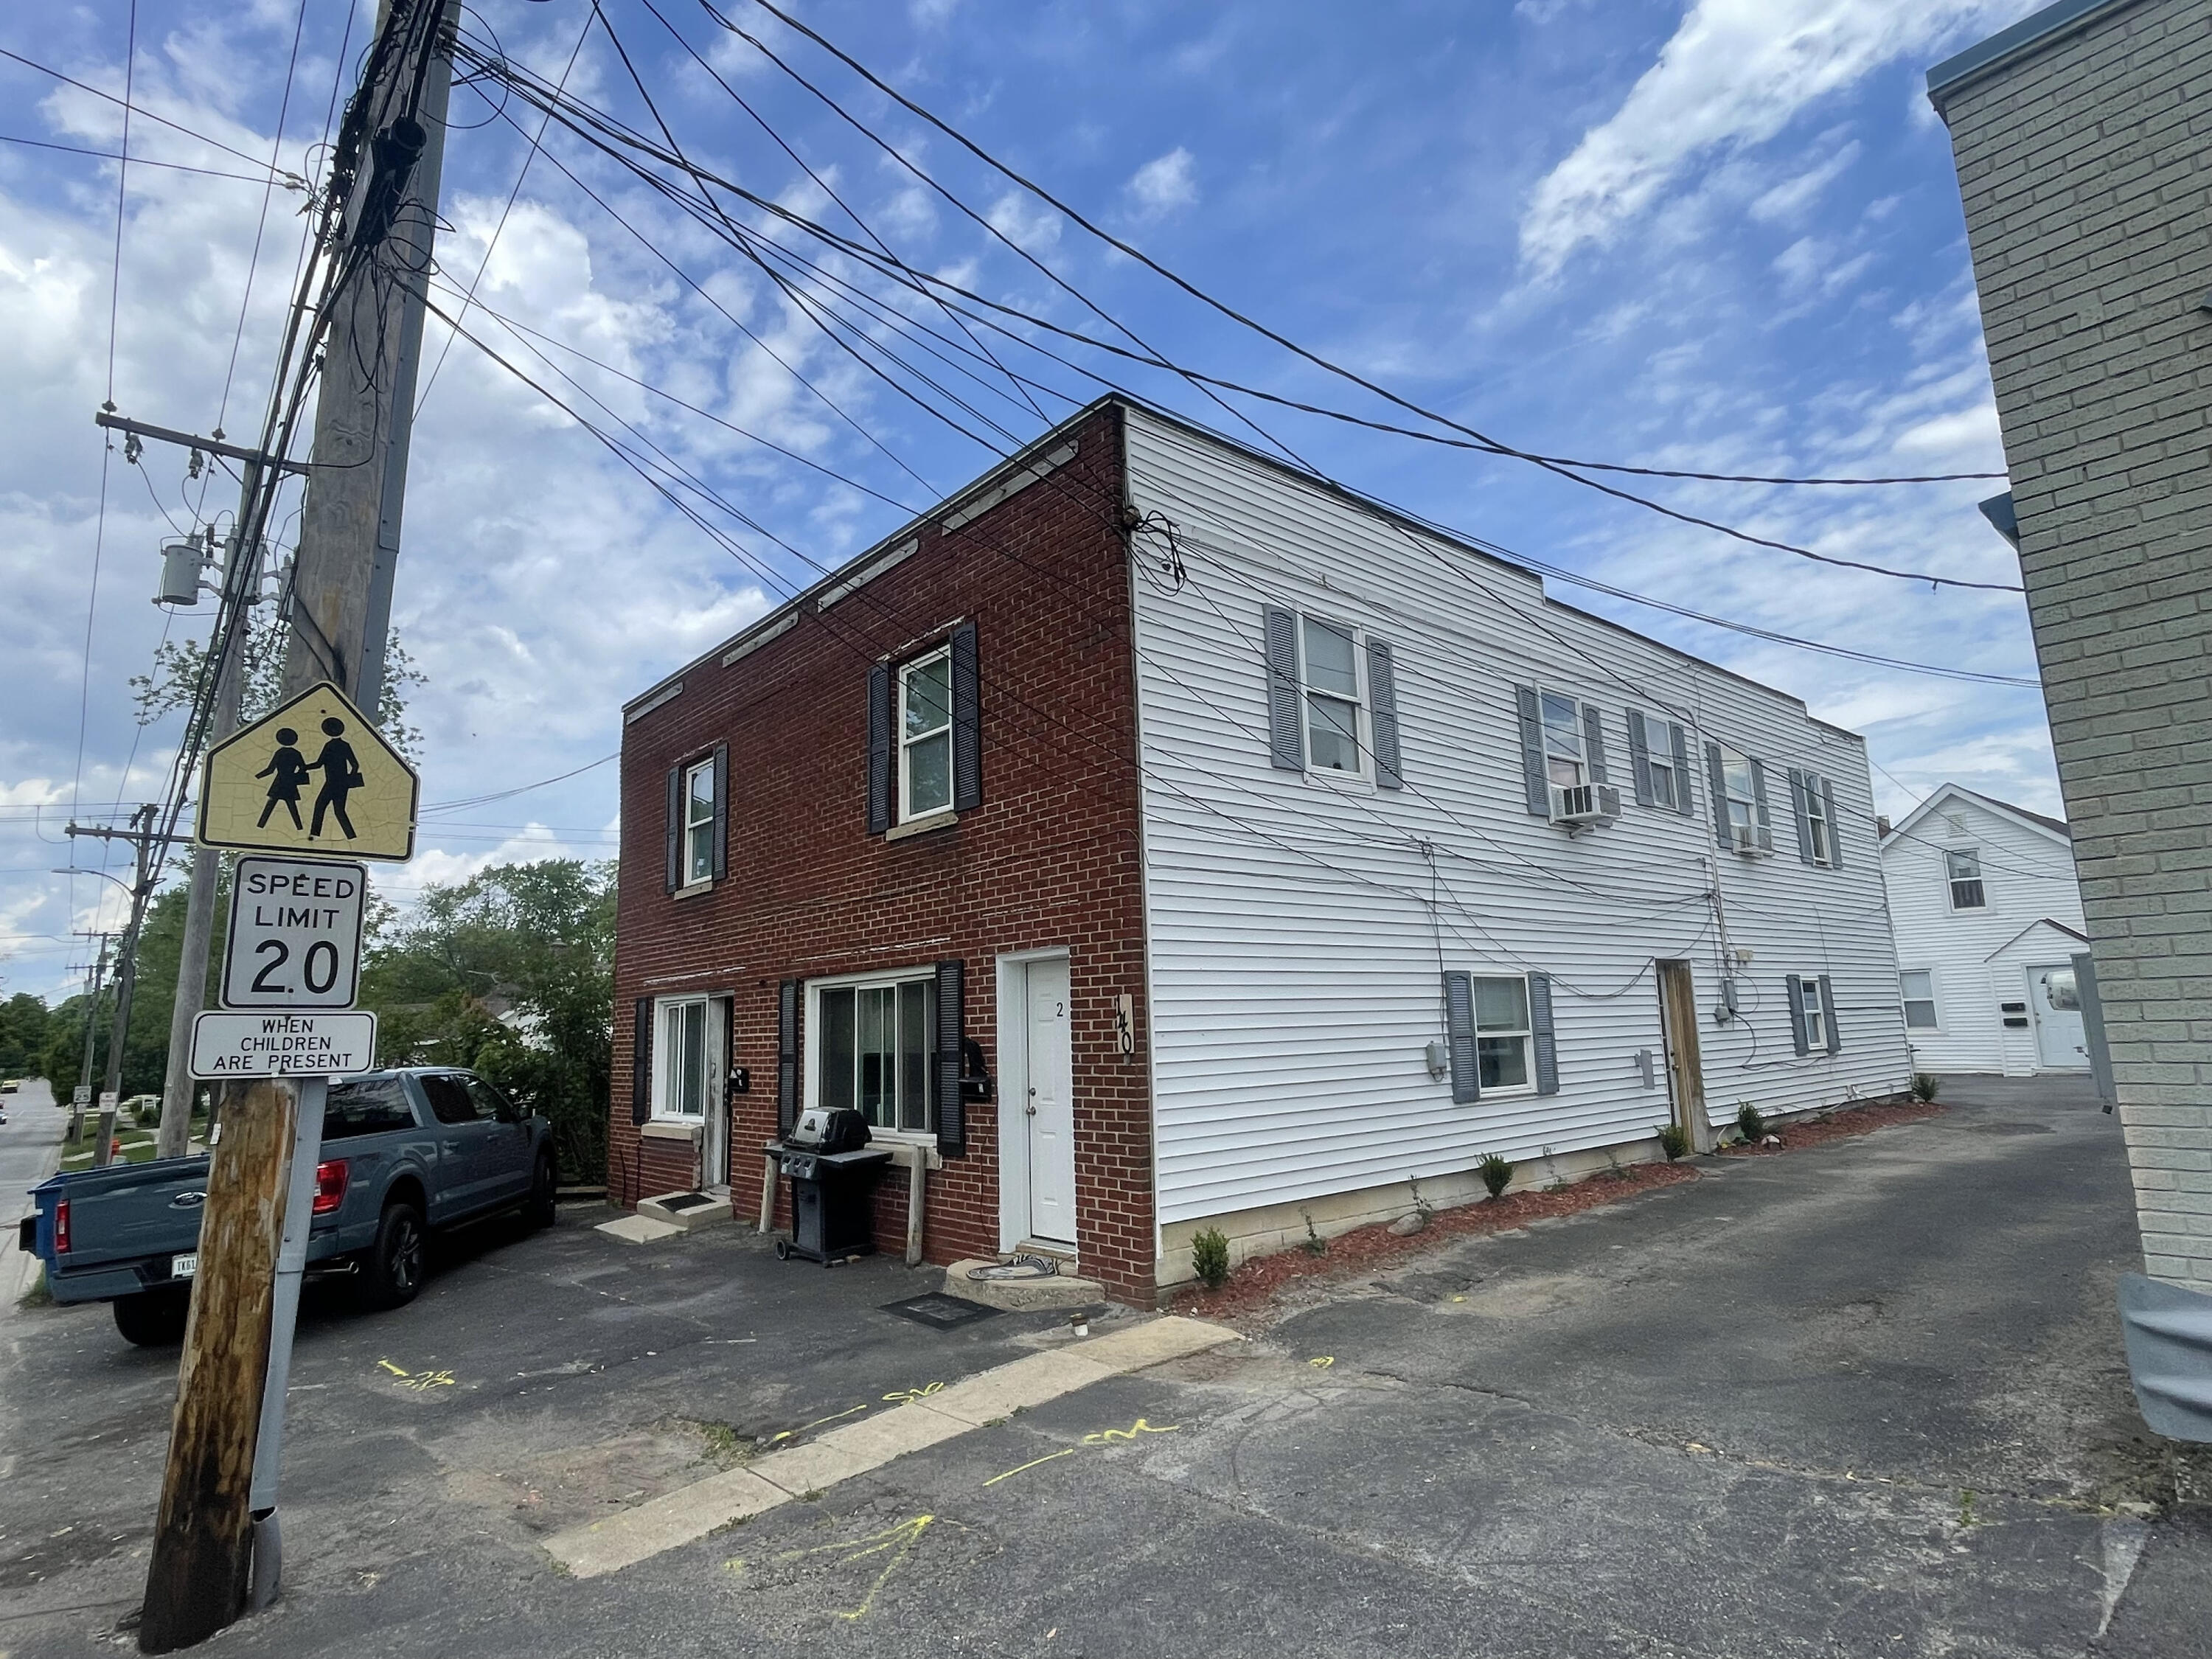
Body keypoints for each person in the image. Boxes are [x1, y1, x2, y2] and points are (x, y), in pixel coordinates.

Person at [308, 716, 363, 841]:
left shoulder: (330, 745)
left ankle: (315, 834)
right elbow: (355, 765)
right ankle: (351, 837)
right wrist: (348, 780)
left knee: (320, 806)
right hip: (342, 783)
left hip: (332, 783)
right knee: (338, 810)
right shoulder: (344, 745)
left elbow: (319, 763)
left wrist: (304, 767)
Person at [254, 728, 312, 830]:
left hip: (279, 782)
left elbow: (270, 770)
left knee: (270, 805)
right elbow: (303, 768)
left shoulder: (280, 753)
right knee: (292, 806)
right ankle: (299, 828)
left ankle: (260, 825)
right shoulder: (296, 753)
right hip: (290, 783)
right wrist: (296, 777)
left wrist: (257, 776)